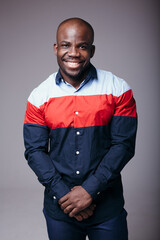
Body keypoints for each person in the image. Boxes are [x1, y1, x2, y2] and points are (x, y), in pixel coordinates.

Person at [23, 17, 137, 240]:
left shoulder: (119, 89)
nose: (73, 52)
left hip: (107, 208)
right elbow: (34, 152)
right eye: (66, 45)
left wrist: (89, 192)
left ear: (92, 50)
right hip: (60, 208)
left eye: (82, 46)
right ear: (56, 48)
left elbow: (123, 145)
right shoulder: (39, 96)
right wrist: (66, 196)